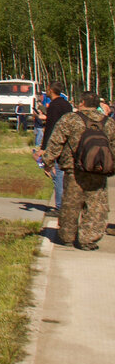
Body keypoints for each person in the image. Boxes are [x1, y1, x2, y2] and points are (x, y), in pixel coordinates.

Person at [43, 91, 114, 250]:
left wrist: (47, 161)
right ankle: (88, 239)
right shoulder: (108, 122)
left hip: (74, 170)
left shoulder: (70, 119)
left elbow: (56, 141)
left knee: (71, 204)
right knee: (96, 206)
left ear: (82, 102)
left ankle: (67, 236)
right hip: (98, 171)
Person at [34, 81, 72, 214]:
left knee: (58, 174)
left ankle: (60, 207)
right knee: (64, 175)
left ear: (51, 90)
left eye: (47, 89)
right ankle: (65, 204)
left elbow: (51, 127)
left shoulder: (54, 106)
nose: (47, 91)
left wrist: (44, 147)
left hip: (57, 144)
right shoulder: (67, 104)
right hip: (68, 144)